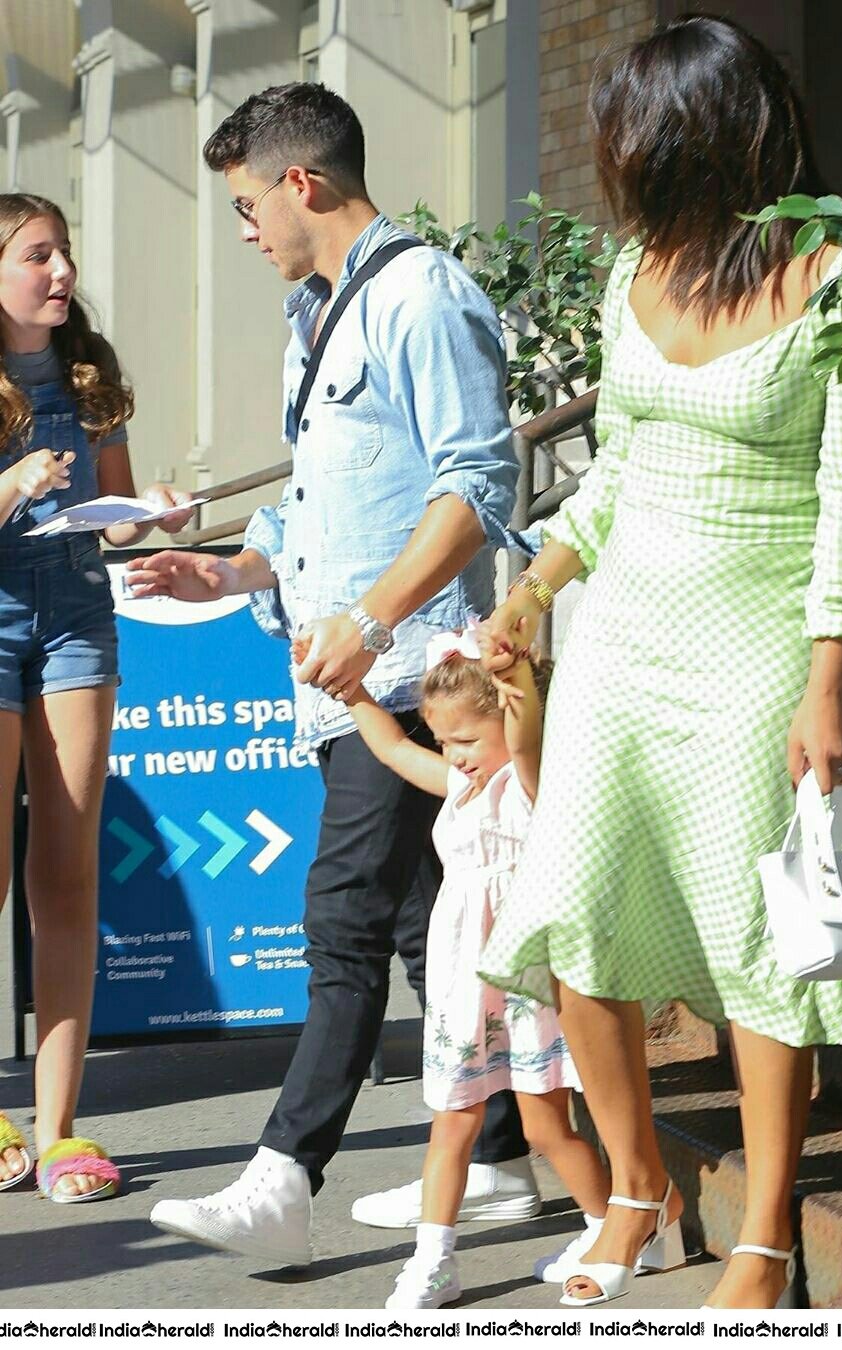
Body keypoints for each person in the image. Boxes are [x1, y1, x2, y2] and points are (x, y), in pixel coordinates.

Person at [479, 15, 842, 1310]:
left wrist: (830, 675)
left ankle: (766, 1228)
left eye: (634, 132)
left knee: (758, 938)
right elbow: (614, 466)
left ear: (705, 135)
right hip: (619, 643)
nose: (618, 156)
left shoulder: (841, 279)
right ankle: (637, 1183)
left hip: (760, 644)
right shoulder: (634, 277)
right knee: (576, 916)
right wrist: (538, 587)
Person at [132, 83, 532, 1268]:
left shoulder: (421, 294)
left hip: (418, 673)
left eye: (250, 203)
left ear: (302, 182)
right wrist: (232, 572)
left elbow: (477, 487)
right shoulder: (315, 312)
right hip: (349, 677)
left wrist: (368, 618)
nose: (246, 229)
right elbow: (328, 502)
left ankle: (282, 1176)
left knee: (345, 917)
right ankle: (501, 1157)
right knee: (421, 927)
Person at [292, 623, 611, 1307]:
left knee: (545, 1125)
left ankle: (617, 1228)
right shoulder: (461, 785)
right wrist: (349, 690)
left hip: (526, 985)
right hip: (466, 987)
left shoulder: (529, 785)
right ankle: (434, 1260)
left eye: (465, 740)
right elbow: (388, 746)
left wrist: (512, 677)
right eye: (445, 741)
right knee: (453, 1118)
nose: (452, 755)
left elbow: (521, 737)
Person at [0, 193, 192, 1204]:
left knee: (68, 873)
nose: (61, 270)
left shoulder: (90, 375)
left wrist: (152, 510)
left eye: (64, 252)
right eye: (38, 256)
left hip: (77, 619)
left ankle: (63, 1127)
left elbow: (114, 522)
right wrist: (11, 483)